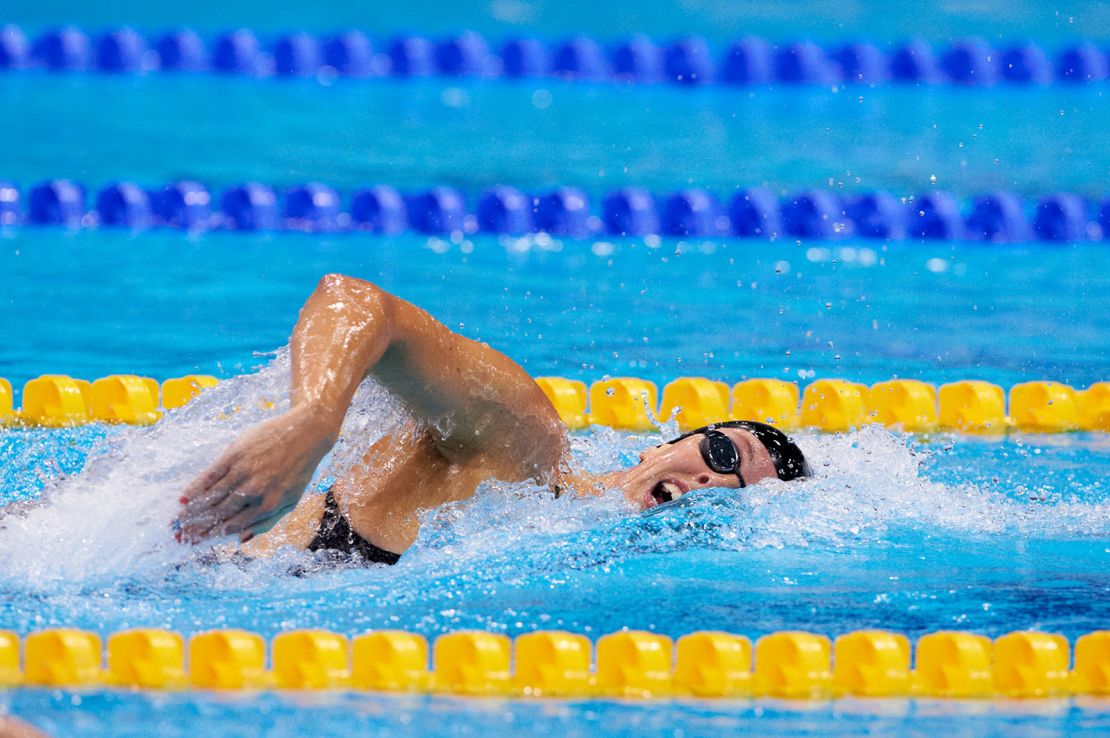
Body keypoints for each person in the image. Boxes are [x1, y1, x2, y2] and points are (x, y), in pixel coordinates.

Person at [177, 274, 810, 563]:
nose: (715, 485)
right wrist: (313, 422)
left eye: (740, 494)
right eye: (723, 456)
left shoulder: (561, 567)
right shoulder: (526, 452)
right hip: (170, 562)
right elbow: (358, 303)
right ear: (655, 448)